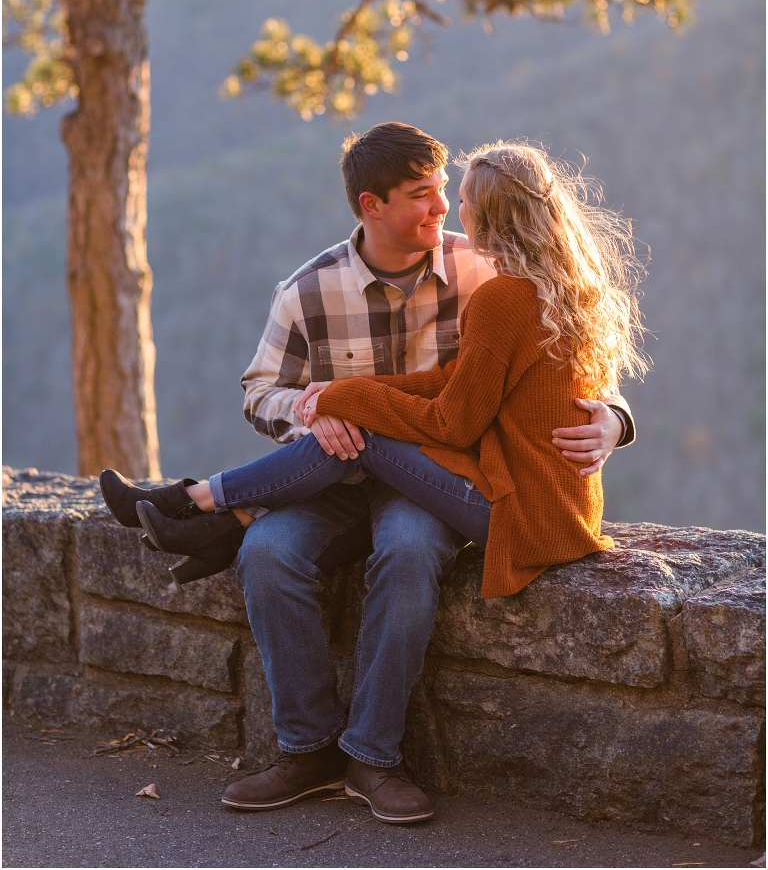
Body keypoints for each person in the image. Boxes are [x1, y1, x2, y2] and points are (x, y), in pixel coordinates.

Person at [101, 123, 636, 824]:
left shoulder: (485, 272)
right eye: (423, 195)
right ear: (370, 204)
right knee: (268, 553)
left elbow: (560, 377)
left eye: (449, 194)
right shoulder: (309, 290)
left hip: (442, 475)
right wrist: (313, 407)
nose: (445, 210)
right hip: (331, 480)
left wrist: (616, 419)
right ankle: (307, 748)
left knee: (408, 544)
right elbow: (260, 392)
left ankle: (371, 753)